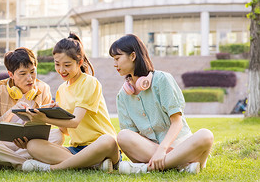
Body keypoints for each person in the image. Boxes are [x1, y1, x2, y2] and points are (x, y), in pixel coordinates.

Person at [110, 34, 214, 174]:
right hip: (151, 150)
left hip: (182, 146)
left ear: (133, 56)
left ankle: (146, 168)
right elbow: (133, 139)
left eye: (117, 58)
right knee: (123, 136)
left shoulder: (162, 80)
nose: (115, 64)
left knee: (206, 135)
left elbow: (177, 122)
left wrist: (162, 150)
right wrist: (155, 150)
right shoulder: (122, 96)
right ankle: (183, 166)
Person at [21, 33, 120, 172]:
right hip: (76, 150)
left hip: (100, 146)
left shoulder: (89, 82)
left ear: (79, 63)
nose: (61, 70)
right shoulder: (62, 89)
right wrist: (49, 114)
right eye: (57, 64)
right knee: (33, 145)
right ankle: (93, 165)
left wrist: (46, 118)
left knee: (108, 140)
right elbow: (66, 131)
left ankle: (53, 168)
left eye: (67, 65)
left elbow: (75, 122)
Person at [0, 47, 64, 170]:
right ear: (11, 74)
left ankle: (1, 162)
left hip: (31, 143)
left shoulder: (43, 88)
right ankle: (25, 164)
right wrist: (10, 113)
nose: (30, 78)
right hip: (2, 142)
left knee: (58, 136)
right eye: (23, 74)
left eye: (33, 72)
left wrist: (48, 113)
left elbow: (42, 129)